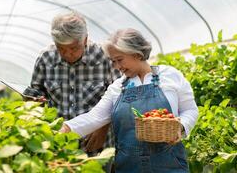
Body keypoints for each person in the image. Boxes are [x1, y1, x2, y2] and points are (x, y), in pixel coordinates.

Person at [60, 28, 199, 173]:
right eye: (113, 61)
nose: (117, 67)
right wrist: (65, 128)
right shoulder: (117, 87)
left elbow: (190, 109)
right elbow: (94, 117)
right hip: (129, 167)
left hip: (170, 165)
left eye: (119, 60)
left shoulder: (170, 76)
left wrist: (180, 127)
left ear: (137, 54)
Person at [23, 11, 121, 165]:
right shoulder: (45, 58)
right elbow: (36, 92)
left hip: (96, 145)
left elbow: (119, 99)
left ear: (86, 39)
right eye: (61, 49)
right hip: (59, 146)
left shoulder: (105, 58)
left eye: (74, 48)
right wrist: (33, 101)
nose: (68, 54)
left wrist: (102, 129)